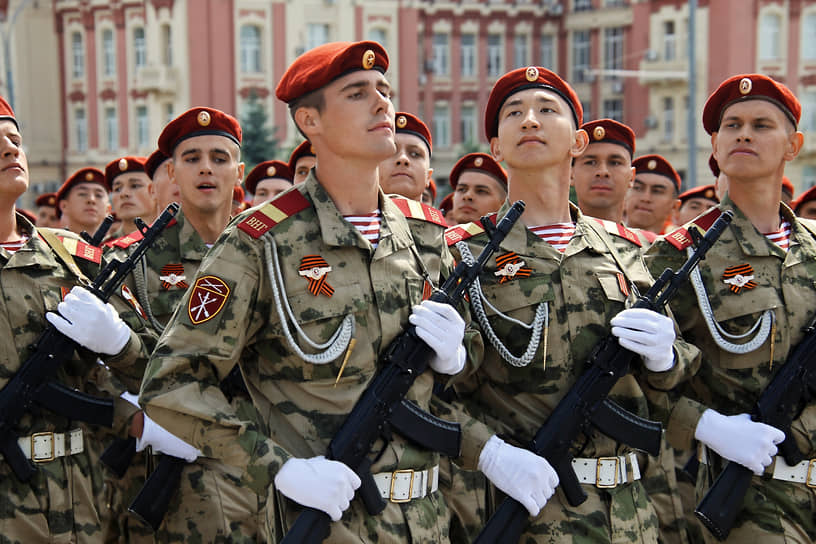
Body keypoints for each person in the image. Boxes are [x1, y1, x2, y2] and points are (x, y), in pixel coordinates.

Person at [139, 41, 558, 543]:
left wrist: (463, 378)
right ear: (311, 122)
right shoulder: (261, 241)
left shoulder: (424, 234)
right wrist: (278, 468)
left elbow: (426, 390)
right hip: (326, 521)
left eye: (385, 90)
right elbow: (172, 385)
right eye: (358, 93)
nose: (384, 104)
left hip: (426, 519)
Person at [445, 65, 699, 542]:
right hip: (525, 510)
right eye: (514, 114)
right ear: (496, 148)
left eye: (547, 110)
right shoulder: (461, 254)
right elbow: (436, 391)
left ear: (577, 143)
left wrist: (668, 354)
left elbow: (678, 376)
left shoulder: (624, 251)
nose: (530, 121)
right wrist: (489, 453)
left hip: (628, 512)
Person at [645, 73, 815, 544]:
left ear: (792, 146)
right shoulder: (676, 256)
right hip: (750, 498)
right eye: (732, 125)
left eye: (762, 125)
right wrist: (706, 426)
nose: (744, 133)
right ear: (714, 149)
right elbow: (641, 382)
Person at [0, 95, 155, 542]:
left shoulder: (70, 255)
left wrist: (118, 341)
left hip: (84, 495)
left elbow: (158, 364)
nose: (11, 150)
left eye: (16, 140)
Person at [107, 107, 266, 542]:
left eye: (219, 157)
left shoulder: (271, 253)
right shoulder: (131, 262)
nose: (206, 168)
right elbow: (104, 371)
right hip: (174, 481)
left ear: (239, 171)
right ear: (173, 173)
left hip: (268, 469)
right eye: (192, 158)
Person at [572, 118, 636, 223]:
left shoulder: (645, 240)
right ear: (571, 175)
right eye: (591, 162)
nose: (602, 172)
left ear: (631, 177)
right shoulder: (547, 238)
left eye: (615, 163)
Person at [378, 111, 433, 201]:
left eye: (415, 154)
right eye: (392, 151)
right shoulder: (350, 215)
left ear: (428, 176)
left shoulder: (439, 216)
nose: (403, 159)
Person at [624, 154, 682, 234]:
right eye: (638, 188)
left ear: (674, 207)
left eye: (657, 191)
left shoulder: (682, 246)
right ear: (624, 195)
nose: (645, 198)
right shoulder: (603, 240)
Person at [106, 156, 157, 240]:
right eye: (117, 189)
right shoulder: (102, 248)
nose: (124, 194)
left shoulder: (176, 240)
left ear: (155, 190)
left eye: (135, 186)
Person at [448, 152, 507, 225]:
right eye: (461, 189)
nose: (467, 196)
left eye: (481, 191)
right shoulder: (436, 236)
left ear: (503, 205)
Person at [56, 167, 110, 235]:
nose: (91, 199)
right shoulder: (49, 244)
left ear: (108, 209)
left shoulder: (117, 245)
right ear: (64, 206)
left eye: (98, 195)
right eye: (82, 194)